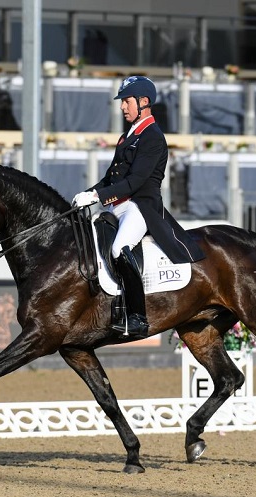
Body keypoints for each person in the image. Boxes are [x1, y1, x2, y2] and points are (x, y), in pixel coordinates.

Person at [71, 75, 205, 339]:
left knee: (120, 249)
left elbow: (134, 182)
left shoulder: (152, 137)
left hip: (140, 206)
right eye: (122, 102)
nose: (123, 107)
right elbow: (112, 178)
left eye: (127, 102)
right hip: (117, 204)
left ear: (144, 102)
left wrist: (98, 196)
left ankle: (137, 316)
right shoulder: (127, 137)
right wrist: (88, 194)